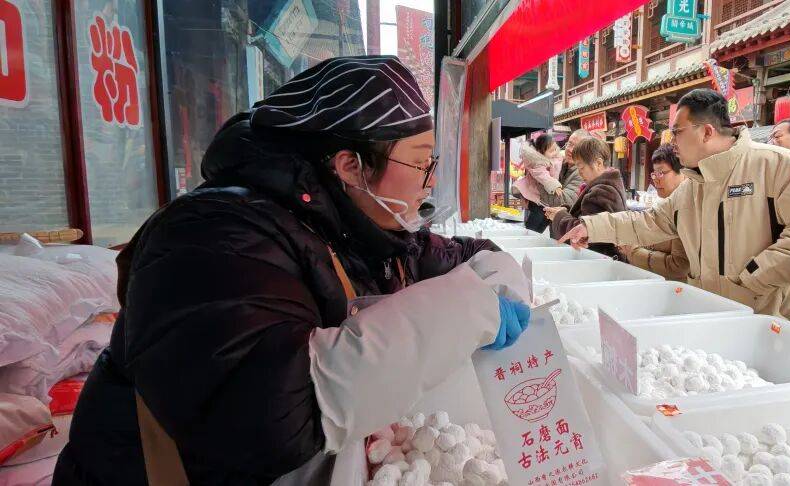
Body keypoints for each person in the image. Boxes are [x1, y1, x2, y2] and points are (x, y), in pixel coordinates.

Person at [53, 56, 532, 485]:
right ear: (350, 166)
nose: (429, 181)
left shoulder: (359, 227)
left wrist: (496, 276)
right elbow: (274, 416)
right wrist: (463, 311)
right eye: (421, 163)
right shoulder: (211, 239)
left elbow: (458, 255)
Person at [560, 88, 790, 328]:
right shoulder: (692, 186)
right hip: (713, 319)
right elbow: (650, 222)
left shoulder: (777, 165)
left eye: (677, 132)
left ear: (707, 132)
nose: (672, 141)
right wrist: (591, 226)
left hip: (773, 325)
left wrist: (751, 279)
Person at [543, 137, 627, 260]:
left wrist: (559, 216)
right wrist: (565, 210)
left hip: (598, 260)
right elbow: (588, 217)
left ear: (598, 163)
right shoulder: (607, 185)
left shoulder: (602, 191)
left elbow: (586, 233)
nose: (579, 172)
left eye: (581, 168)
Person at [617, 145, 690, 281]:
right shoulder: (665, 205)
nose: (656, 179)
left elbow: (679, 266)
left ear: (682, 172)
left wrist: (633, 251)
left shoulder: (685, 208)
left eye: (661, 172)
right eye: (654, 173)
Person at [516, 134, 565, 233]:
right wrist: (555, 186)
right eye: (551, 151)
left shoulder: (555, 158)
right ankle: (527, 235)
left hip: (544, 198)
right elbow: (543, 176)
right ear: (540, 152)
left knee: (544, 219)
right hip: (536, 196)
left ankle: (534, 235)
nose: (555, 152)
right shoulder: (537, 163)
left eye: (555, 149)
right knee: (535, 220)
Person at [535, 129, 590, 209]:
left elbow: (563, 201)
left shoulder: (583, 173)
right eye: (570, 144)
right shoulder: (559, 163)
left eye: (577, 147)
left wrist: (537, 180)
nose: (571, 150)